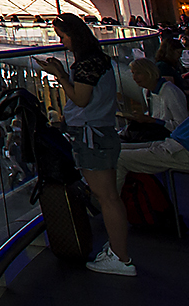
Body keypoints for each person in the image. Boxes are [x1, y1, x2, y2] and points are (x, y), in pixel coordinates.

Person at [40, 14, 133, 277]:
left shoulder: (86, 65)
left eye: (63, 36)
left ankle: (121, 257)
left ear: (75, 35)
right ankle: (117, 251)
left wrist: (59, 74)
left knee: (107, 198)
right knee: (108, 197)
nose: (62, 42)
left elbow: (80, 99)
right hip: (102, 132)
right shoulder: (100, 60)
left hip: (92, 135)